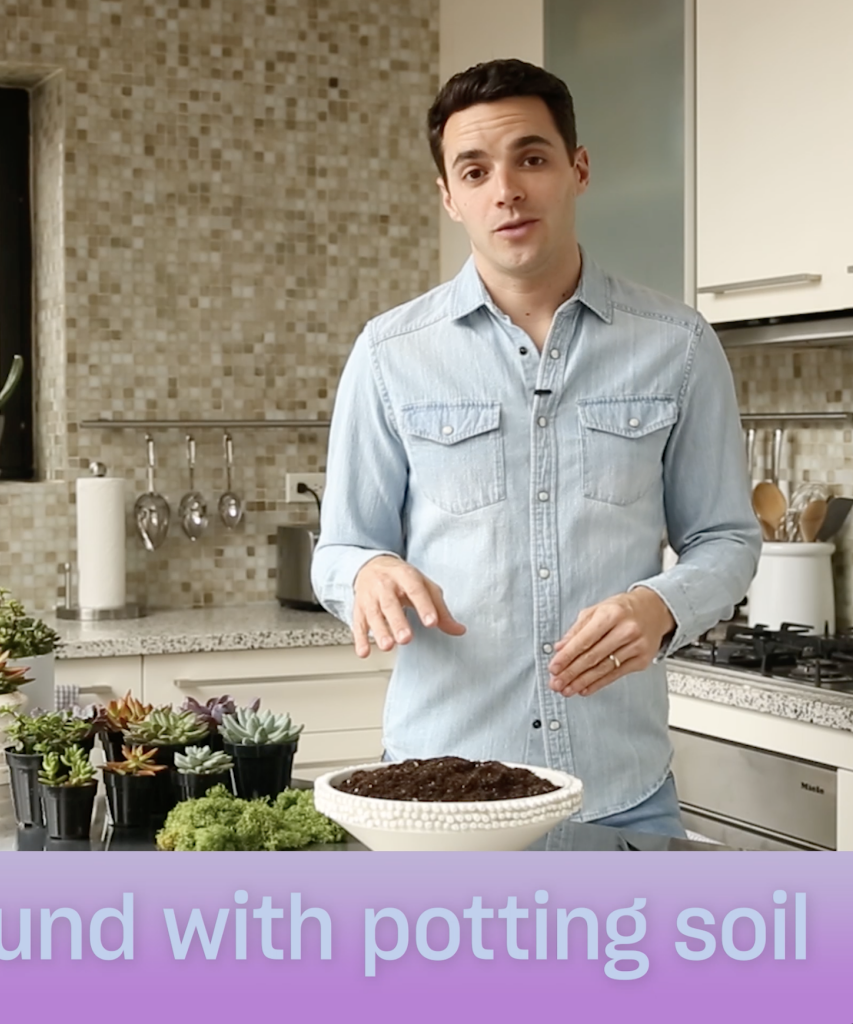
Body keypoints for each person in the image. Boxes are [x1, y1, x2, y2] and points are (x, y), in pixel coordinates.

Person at [309, 58, 761, 837]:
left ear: (577, 170)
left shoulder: (678, 344)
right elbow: (341, 548)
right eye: (475, 170)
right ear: (449, 196)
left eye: (531, 158)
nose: (506, 189)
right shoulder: (389, 353)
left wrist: (661, 604)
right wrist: (368, 571)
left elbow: (726, 538)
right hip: (437, 799)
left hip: (619, 793)